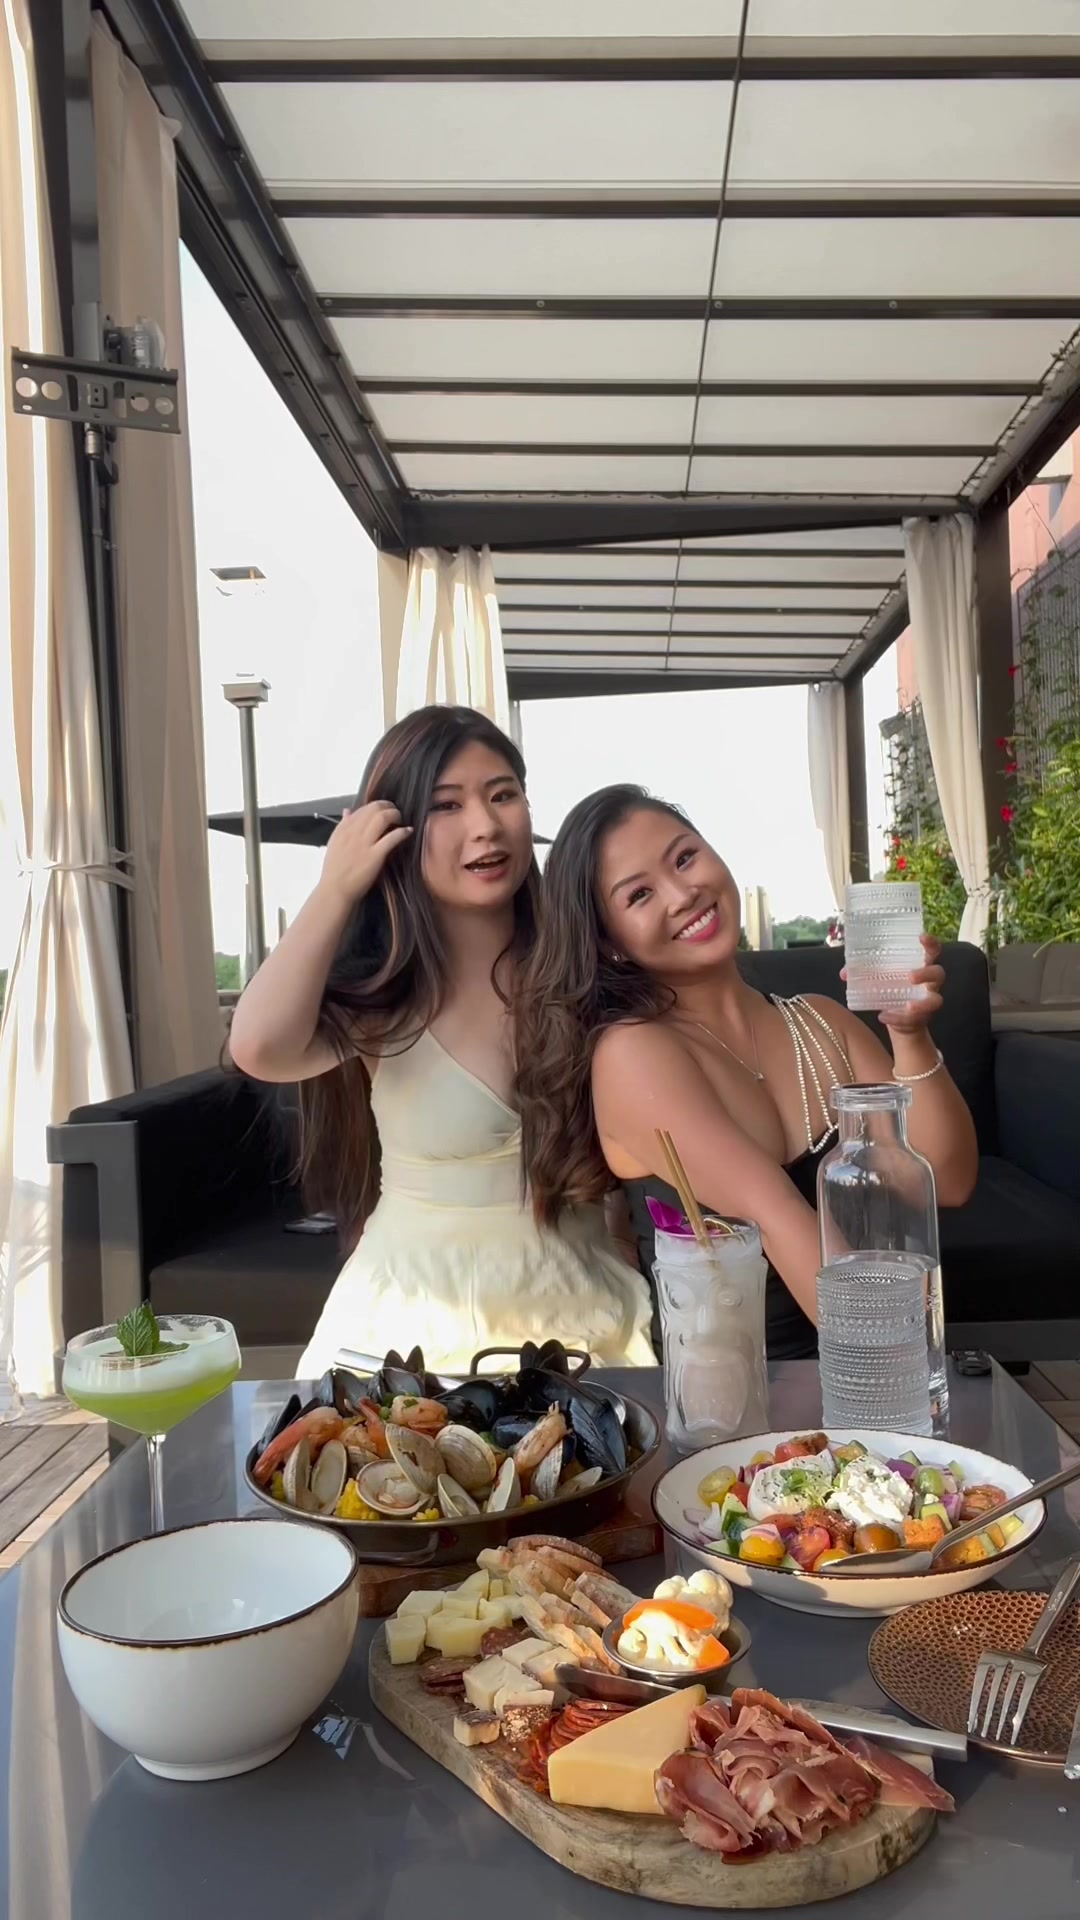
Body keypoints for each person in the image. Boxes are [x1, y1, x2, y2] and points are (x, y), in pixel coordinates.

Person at [228, 708, 654, 1376]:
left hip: (581, 1305)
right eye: (446, 805)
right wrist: (336, 886)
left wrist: (623, 1244)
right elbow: (258, 1047)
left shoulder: (580, 969)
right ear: (392, 831)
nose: (485, 825)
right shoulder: (384, 997)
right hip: (411, 1320)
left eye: (503, 794)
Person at [514, 785, 978, 1359]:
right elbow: (773, 1216)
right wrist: (900, 1379)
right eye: (639, 894)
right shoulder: (633, 1054)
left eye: (685, 857)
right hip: (744, 1390)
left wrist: (909, 1034)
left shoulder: (821, 1023)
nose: (683, 893)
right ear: (608, 941)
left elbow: (947, 1181)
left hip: (875, 1353)